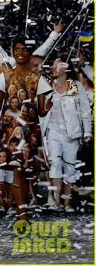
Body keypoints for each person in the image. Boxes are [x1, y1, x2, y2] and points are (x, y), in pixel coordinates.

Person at [39, 58, 92, 212]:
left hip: (72, 133)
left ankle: (66, 203)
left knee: (69, 166)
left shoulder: (76, 86)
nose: (54, 68)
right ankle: (56, 202)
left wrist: (87, 131)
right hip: (54, 131)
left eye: (57, 65)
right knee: (55, 164)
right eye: (54, 66)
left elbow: (84, 110)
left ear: (65, 67)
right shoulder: (48, 86)